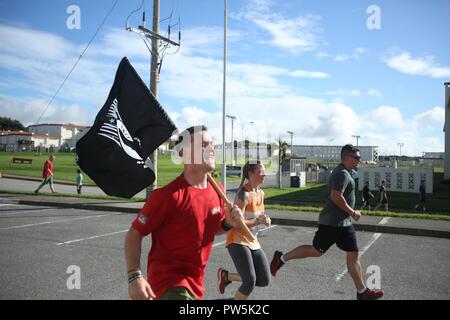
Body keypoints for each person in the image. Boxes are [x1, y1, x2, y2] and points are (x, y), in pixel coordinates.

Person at [124, 125, 244, 300]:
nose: (212, 148)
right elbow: (134, 233)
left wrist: (228, 224)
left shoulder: (217, 191)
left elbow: (214, 229)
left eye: (212, 144)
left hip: (196, 284)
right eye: (204, 144)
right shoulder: (167, 196)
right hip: (170, 285)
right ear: (184, 153)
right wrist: (134, 276)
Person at [270, 144, 384, 300]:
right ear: (345, 158)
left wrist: (349, 216)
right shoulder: (342, 174)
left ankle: (362, 292)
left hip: (344, 223)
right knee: (316, 251)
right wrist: (353, 212)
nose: (359, 160)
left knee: (353, 253)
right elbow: (336, 196)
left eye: (359, 157)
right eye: (356, 157)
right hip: (331, 223)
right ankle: (281, 258)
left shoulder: (346, 172)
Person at [217, 160, 271, 300]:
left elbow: (258, 216)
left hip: (253, 240)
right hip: (238, 240)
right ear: (251, 174)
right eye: (261, 172)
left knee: (264, 280)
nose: (264, 175)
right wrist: (257, 221)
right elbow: (236, 223)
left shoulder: (261, 193)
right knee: (249, 282)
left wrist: (265, 219)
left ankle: (226, 276)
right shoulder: (243, 194)